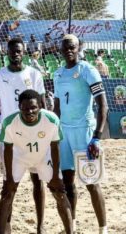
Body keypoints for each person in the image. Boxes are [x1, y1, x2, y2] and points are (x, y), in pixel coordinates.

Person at [53, 34, 109, 234]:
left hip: (84, 133)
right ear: (60, 49)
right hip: (64, 134)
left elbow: (103, 105)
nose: (69, 50)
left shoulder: (88, 70)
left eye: (73, 47)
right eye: (65, 47)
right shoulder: (57, 74)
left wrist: (96, 137)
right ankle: (72, 226)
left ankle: (103, 229)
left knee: (92, 183)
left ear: (79, 48)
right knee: (67, 182)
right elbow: (57, 108)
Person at [0, 90, 73, 234]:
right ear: (19, 107)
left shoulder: (51, 120)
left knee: (60, 192)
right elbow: (7, 149)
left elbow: (55, 147)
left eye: (33, 107)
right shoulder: (9, 122)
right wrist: (9, 179)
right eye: (25, 108)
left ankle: (70, 232)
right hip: (19, 158)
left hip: (43, 157)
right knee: (7, 194)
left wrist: (56, 176)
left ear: (40, 106)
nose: (29, 111)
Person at [0, 37, 47, 233]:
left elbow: (43, 105)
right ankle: (6, 227)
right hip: (10, 138)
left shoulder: (34, 74)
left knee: (37, 181)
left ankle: (40, 226)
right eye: (12, 51)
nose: (15, 54)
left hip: (34, 136)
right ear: (7, 52)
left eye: (19, 51)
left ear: (24, 52)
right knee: (9, 186)